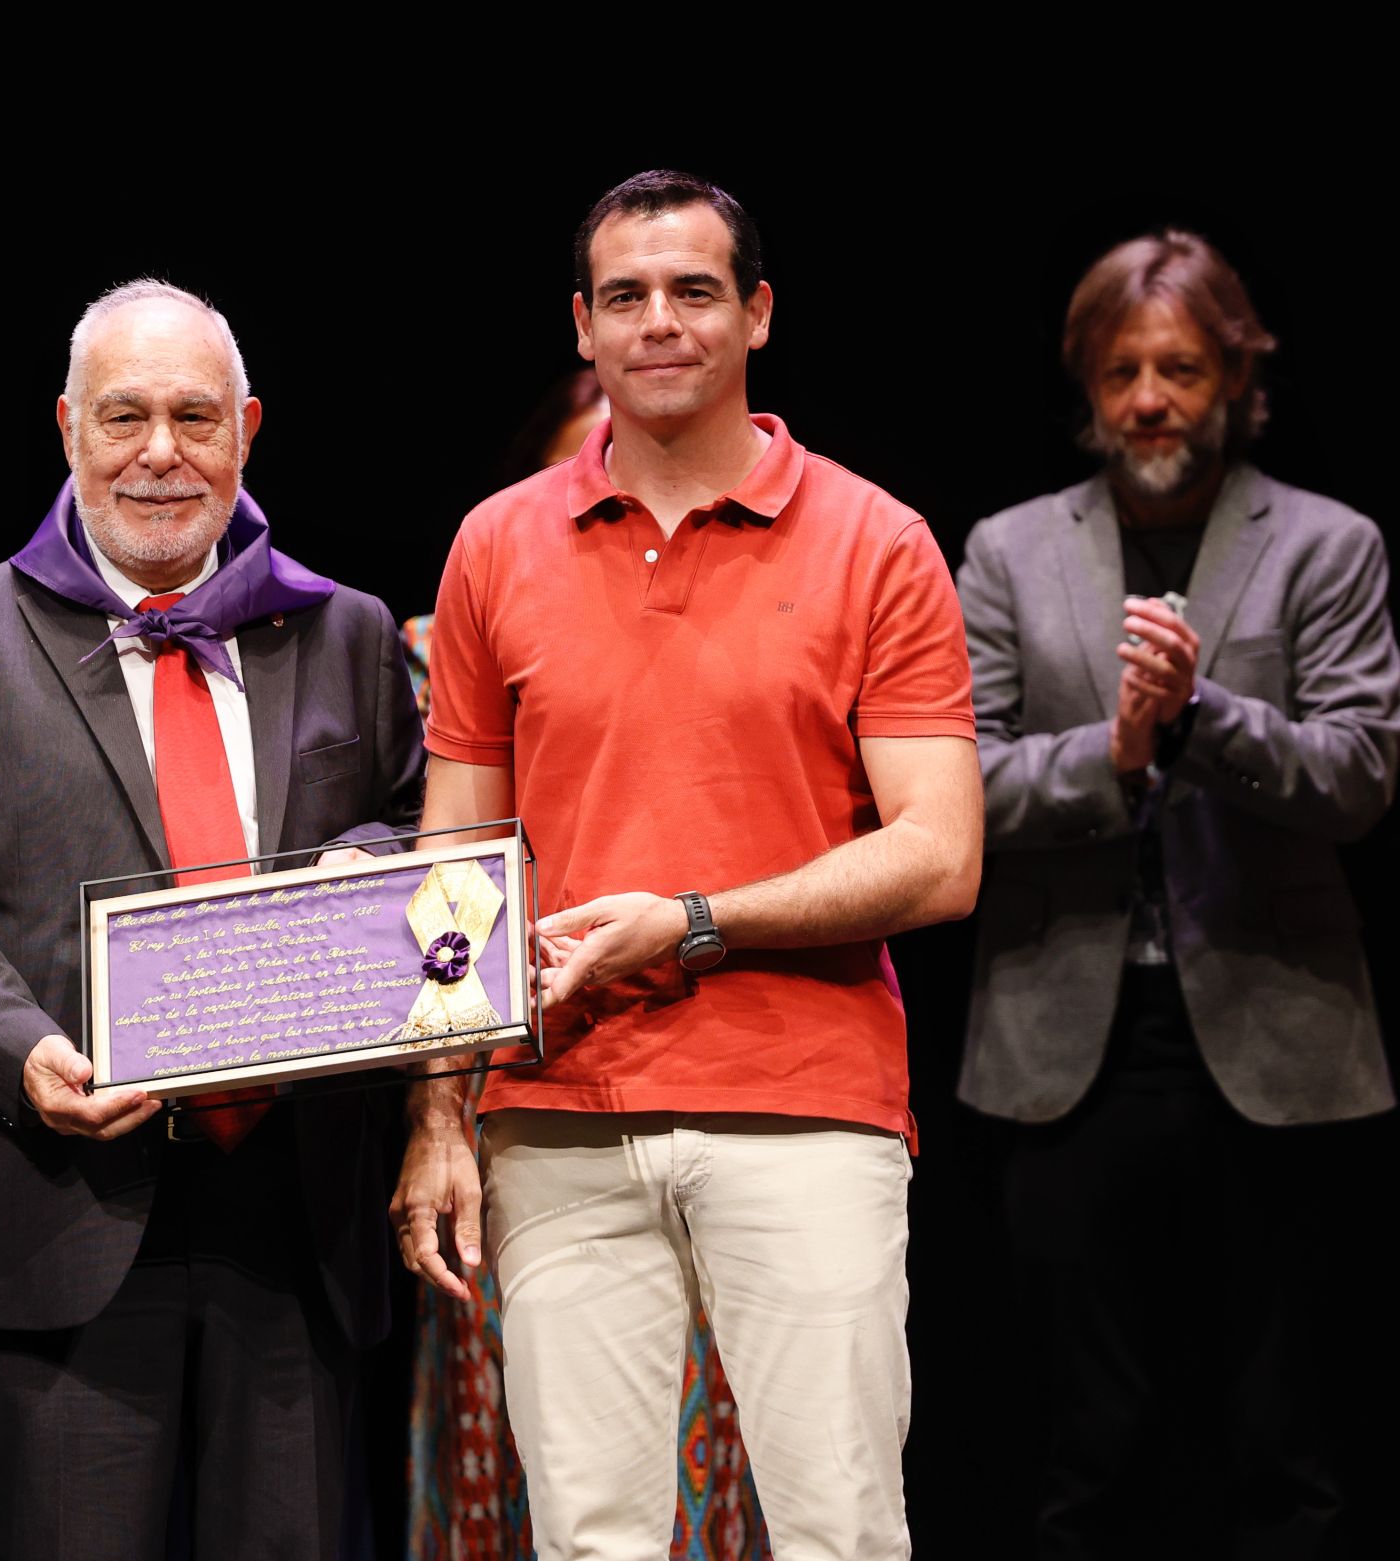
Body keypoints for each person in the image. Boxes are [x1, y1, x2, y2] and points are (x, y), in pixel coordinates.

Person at [393, 170, 983, 1560]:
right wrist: (438, 1113)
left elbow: (942, 855)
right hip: (554, 1112)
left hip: (806, 1110)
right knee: (591, 1539)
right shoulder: (498, 542)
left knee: (839, 1529)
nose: (661, 321)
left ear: (757, 314)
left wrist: (692, 921)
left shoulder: (875, 542)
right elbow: (456, 851)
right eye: (628, 296)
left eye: (696, 291)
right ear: (584, 327)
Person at [0, 279, 424, 1560]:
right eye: (125, 417)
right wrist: (19, 1048)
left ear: (248, 430)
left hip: (298, 1220)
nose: (161, 451)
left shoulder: (347, 632)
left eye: (195, 417)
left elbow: (413, 834)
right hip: (59, 1198)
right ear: (66, 429)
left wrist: (365, 871)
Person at [956, 230, 1399, 1557]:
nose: (1149, 396)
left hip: (1278, 1051)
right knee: (1083, 1445)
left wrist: (1200, 713)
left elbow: (1361, 772)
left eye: (1182, 368)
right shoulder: (1009, 551)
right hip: (1064, 1058)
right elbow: (959, 784)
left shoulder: (1327, 544)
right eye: (1122, 369)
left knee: (1285, 1442)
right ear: (1087, 387)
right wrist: (1120, 750)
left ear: (1237, 379)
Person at [403, 367, 768, 1561]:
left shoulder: (762, 617)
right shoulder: (453, 638)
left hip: (735, 1091)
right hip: (533, 1103)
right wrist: (442, 1105)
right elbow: (439, 877)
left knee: (719, 1434)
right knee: (538, 1463)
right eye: (601, 468)